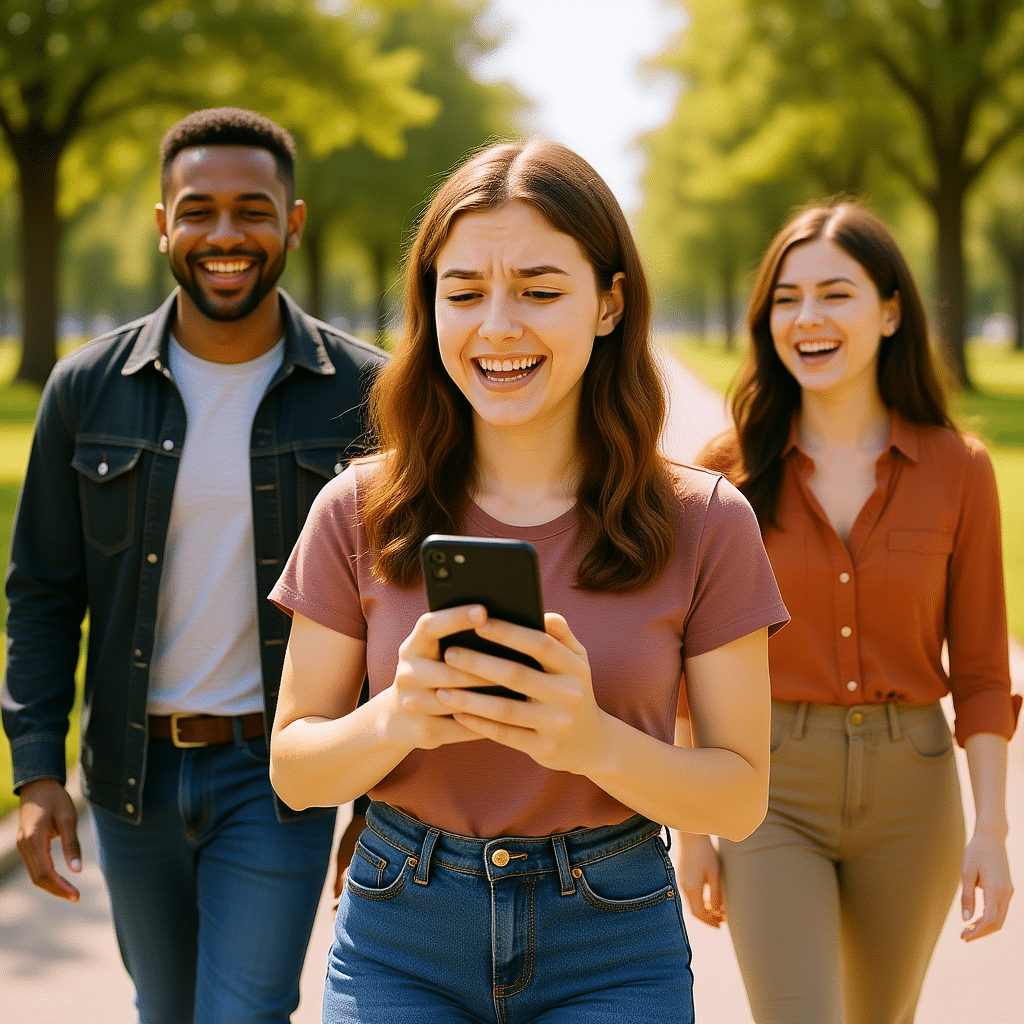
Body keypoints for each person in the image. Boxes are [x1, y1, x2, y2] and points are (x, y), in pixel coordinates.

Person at [266, 138, 789, 1024]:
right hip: (401, 933)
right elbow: (293, 769)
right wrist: (400, 714)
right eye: (463, 293)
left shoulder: (706, 520)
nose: (497, 327)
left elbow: (739, 799)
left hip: (612, 938)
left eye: (541, 291)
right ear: (429, 310)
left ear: (609, 304)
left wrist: (589, 741)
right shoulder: (359, 507)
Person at [1, 107, 386, 1023]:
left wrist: (378, 788)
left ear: (291, 223)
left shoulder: (366, 395)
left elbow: (392, 605)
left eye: (252, 210)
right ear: (163, 223)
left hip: (280, 771)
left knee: (245, 1013)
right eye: (199, 209)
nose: (225, 235)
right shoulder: (86, 389)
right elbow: (44, 594)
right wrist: (37, 770)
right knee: (165, 1010)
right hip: (131, 772)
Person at [682, 202, 1021, 1024]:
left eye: (836, 293)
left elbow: (980, 668)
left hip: (915, 794)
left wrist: (993, 832)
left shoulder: (959, 469)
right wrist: (693, 831)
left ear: (891, 310)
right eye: (787, 299)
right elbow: (689, 664)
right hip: (771, 788)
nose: (808, 318)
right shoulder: (721, 475)